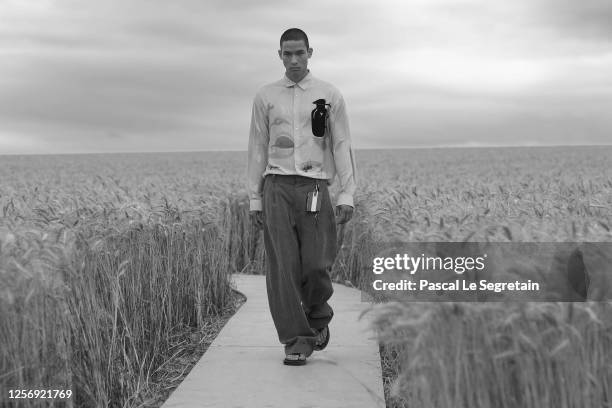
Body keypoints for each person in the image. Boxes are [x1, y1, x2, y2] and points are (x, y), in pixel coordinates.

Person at [246, 28, 357, 366]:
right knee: (283, 270)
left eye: (300, 53)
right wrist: (255, 197)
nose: (294, 60)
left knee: (316, 263)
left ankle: (317, 317)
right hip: (277, 187)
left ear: (310, 52)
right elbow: (257, 147)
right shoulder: (265, 96)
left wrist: (347, 194)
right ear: (279, 55)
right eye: (287, 54)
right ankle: (296, 340)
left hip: (314, 188)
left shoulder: (329, 94)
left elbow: (341, 144)